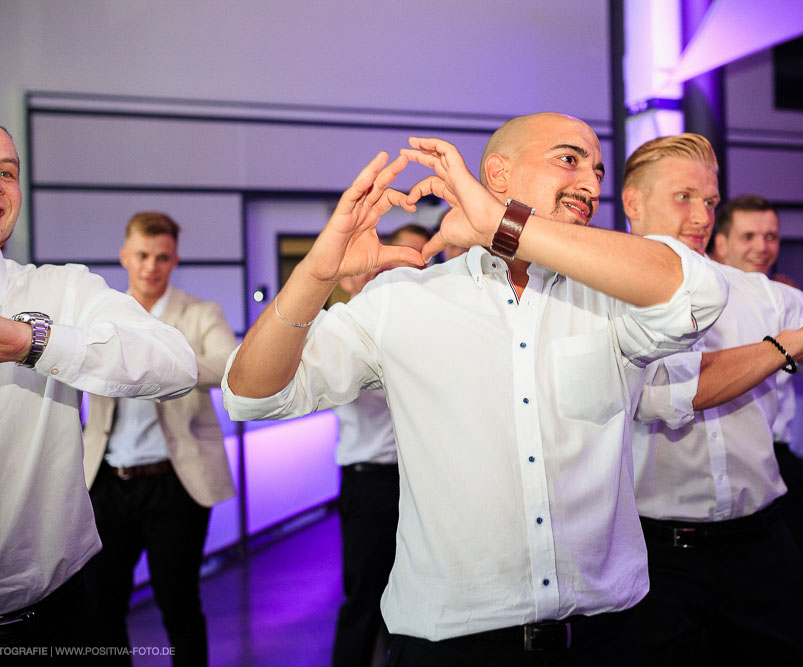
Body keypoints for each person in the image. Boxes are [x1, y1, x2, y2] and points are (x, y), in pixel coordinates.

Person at [222, 112, 729, 666]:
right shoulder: (402, 299)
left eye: (598, 170)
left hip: (604, 638)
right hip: (450, 646)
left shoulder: (607, 298)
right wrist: (317, 273)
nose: (591, 182)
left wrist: (502, 225)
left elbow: (698, 293)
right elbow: (253, 395)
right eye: (569, 159)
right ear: (499, 174)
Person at [623, 134, 803, 666]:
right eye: (684, 197)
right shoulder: (597, 296)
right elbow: (665, 393)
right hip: (652, 556)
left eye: (710, 202)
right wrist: (786, 347)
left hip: (761, 547)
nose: (701, 216)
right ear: (633, 204)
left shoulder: (762, 295)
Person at [0, 109, 196, 651]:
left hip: (61, 623)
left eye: (7, 171)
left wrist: (27, 342)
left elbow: (176, 364)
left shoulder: (62, 291)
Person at [82, 212, 237, 666]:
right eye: (143, 256)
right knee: (104, 602)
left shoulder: (200, 312)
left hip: (175, 482)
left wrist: (153, 360)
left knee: (179, 603)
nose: (151, 266)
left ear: (175, 260)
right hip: (106, 481)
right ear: (125, 256)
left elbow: (228, 366)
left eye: (162, 257)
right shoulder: (102, 313)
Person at [712, 194, 803, 666]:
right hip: (707, 471)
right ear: (719, 243)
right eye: (748, 236)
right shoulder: (704, 300)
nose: (762, 246)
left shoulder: (789, 300)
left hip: (779, 465)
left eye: (771, 236)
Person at [332, 224, 430, 667]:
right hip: (371, 480)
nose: (411, 267)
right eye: (401, 257)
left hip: (426, 484)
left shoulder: (433, 323)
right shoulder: (349, 324)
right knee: (365, 601)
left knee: (421, 601)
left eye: (420, 259)